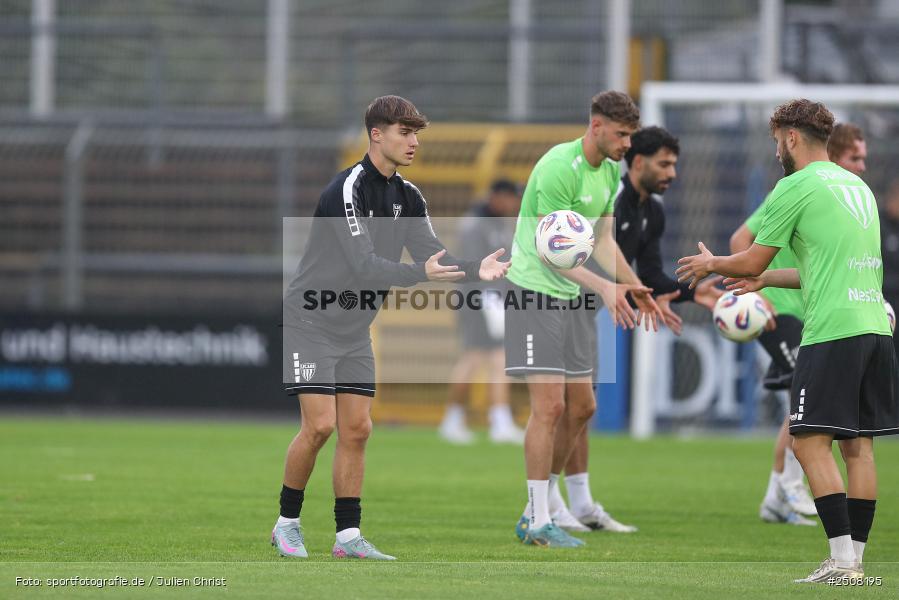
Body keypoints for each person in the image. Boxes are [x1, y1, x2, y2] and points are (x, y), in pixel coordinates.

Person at [274, 95, 510, 560]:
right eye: (405, 132)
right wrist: (424, 272)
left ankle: (348, 538)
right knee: (320, 427)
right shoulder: (348, 189)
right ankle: (287, 523)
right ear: (376, 135)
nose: (414, 142)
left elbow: (432, 258)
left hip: (353, 327)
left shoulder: (410, 196)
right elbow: (364, 266)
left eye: (417, 133)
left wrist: (473, 267)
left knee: (358, 429)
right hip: (310, 318)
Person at [677, 99, 898, 583]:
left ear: (792, 138)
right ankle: (854, 564)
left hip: (832, 331)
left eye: (778, 139)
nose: (777, 147)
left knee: (806, 443)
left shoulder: (794, 186)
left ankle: (842, 563)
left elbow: (749, 258)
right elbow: (820, 269)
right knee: (857, 448)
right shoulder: (857, 187)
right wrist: (768, 282)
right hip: (876, 326)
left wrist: (711, 263)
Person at [505, 90, 667, 547]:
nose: (627, 145)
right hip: (535, 292)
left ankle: (542, 506)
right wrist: (605, 287)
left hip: (571, 295)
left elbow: (601, 241)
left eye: (631, 136)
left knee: (584, 406)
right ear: (596, 126)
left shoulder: (611, 170)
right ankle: (537, 520)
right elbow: (549, 250)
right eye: (621, 135)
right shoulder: (559, 168)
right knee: (549, 408)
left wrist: (634, 286)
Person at [548, 126, 723, 532]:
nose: (672, 173)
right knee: (563, 409)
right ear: (638, 162)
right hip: (559, 303)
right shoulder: (613, 200)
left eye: (675, 164)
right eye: (665, 164)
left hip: (587, 310)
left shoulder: (653, 211)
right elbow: (574, 252)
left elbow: (648, 275)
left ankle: (581, 504)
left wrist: (690, 294)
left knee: (580, 410)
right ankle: (548, 502)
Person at [729, 122, 869, 527]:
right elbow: (741, 240)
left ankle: (776, 496)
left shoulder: (846, 199)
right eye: (855, 157)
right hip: (781, 310)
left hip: (816, 314)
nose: (862, 166)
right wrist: (758, 294)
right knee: (804, 396)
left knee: (804, 401)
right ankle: (792, 483)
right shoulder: (796, 188)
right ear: (833, 155)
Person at [440, 179, 525, 445]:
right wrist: (489, 299)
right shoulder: (476, 225)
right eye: (511, 198)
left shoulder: (498, 223)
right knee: (478, 358)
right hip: (478, 300)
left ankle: (481, 419)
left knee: (490, 358)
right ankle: (486, 420)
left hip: (492, 299)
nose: (514, 204)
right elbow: (473, 266)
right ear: (499, 196)